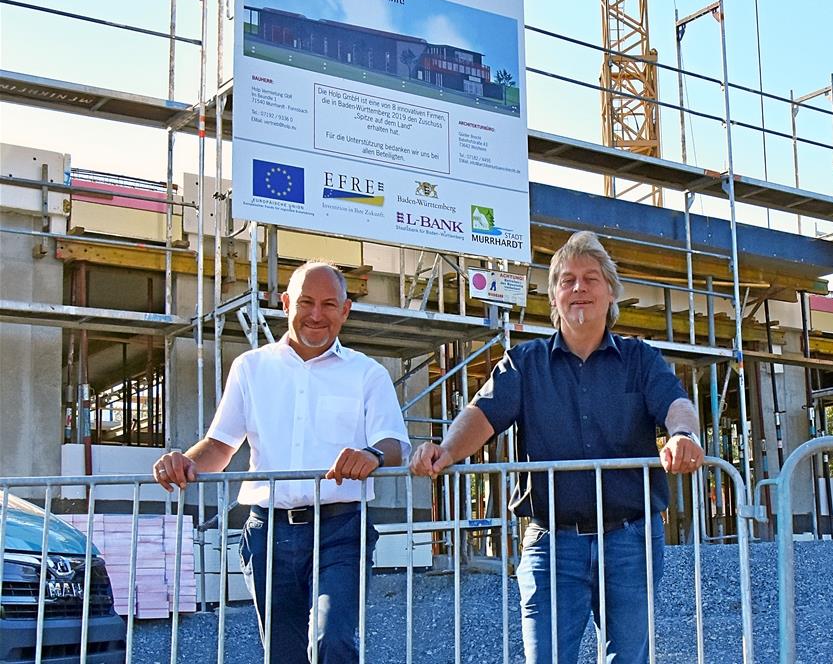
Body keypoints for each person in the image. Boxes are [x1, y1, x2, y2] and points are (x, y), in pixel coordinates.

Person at [410, 230, 704, 664]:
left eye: (590, 278)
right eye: (567, 280)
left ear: (610, 293)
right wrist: (448, 450)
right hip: (551, 544)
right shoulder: (524, 363)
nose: (579, 288)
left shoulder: (641, 359)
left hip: (630, 541)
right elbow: (483, 413)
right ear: (554, 299)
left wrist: (684, 435)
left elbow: (677, 403)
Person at [153, 261, 410, 663]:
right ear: (286, 303)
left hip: (341, 530)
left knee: (333, 640)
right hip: (268, 534)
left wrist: (371, 456)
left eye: (329, 304)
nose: (315, 314)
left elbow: (394, 443)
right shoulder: (251, 368)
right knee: (284, 655)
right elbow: (220, 446)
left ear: (345, 311)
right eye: (306, 302)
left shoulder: (367, 374)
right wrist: (183, 463)